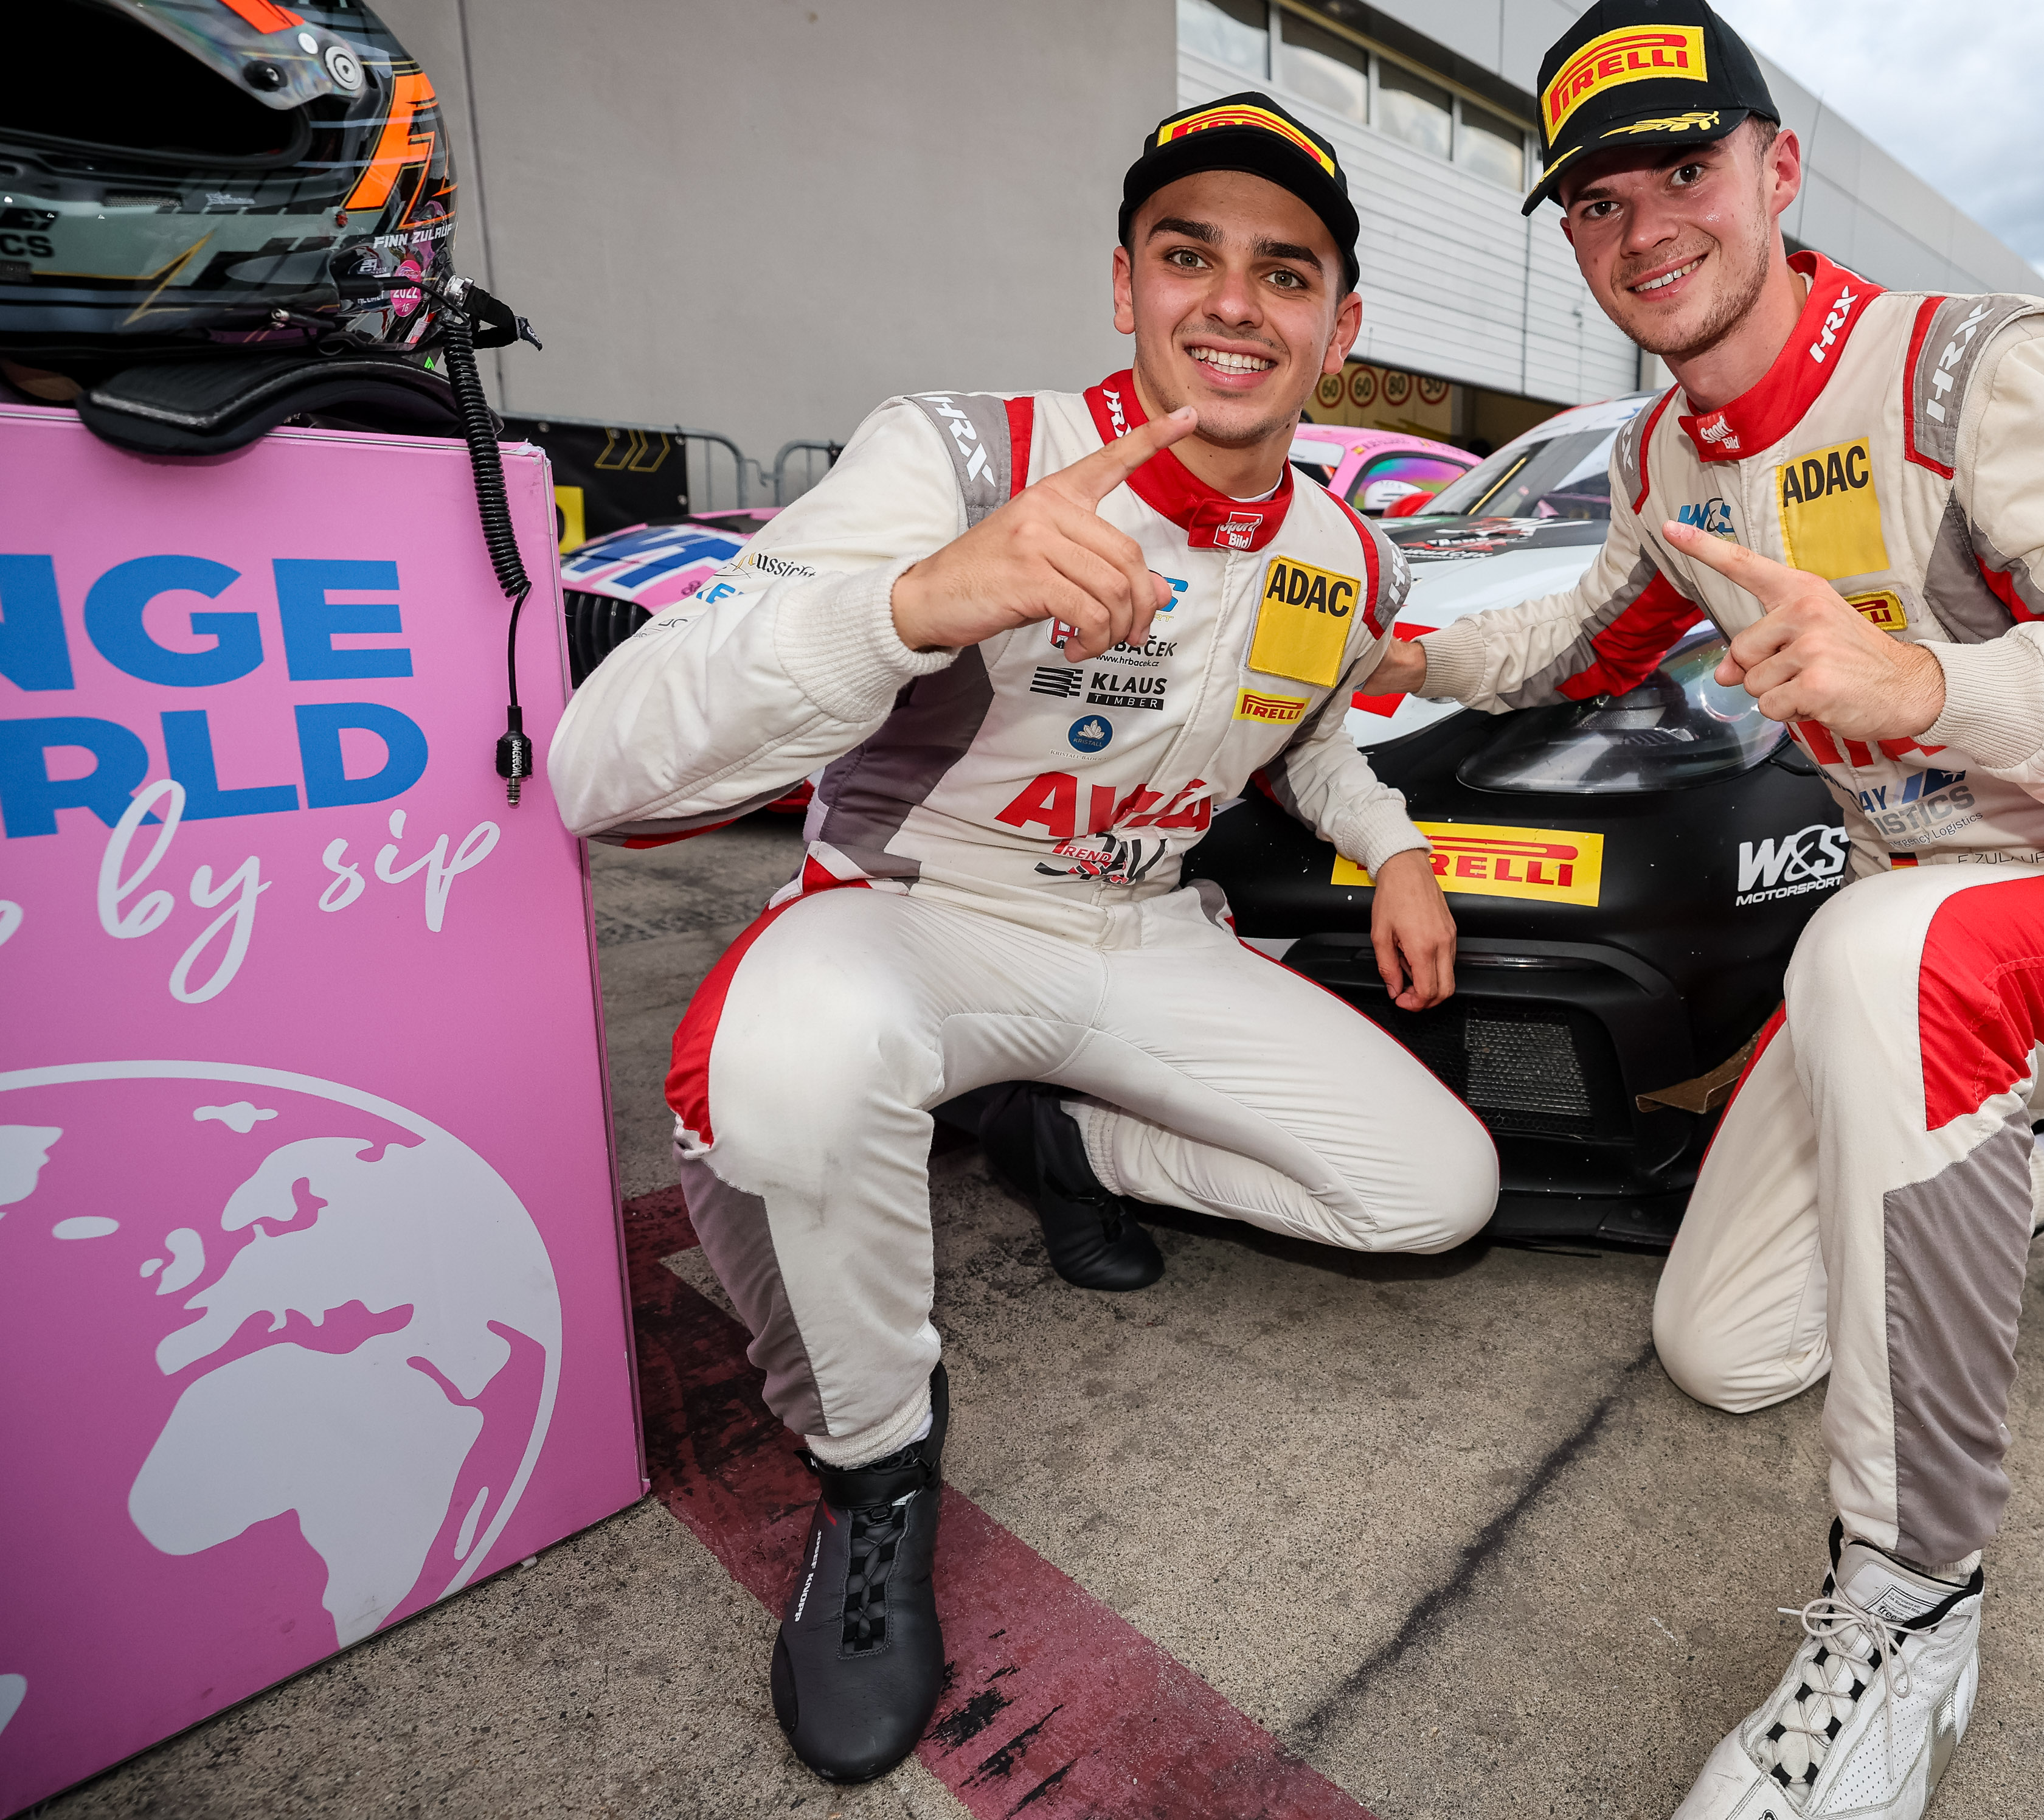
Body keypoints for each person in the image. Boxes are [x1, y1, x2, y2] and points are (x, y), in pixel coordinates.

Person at [1361, 4, 2044, 1813]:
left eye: (1683, 170)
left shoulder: (1972, 373)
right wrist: (1378, 641)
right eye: (1595, 201)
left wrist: (1936, 687)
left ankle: (1912, 1609)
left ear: (1778, 171)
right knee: (1722, 1352)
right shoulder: (1670, 457)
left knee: (1869, 949)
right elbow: (1565, 646)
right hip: (1909, 941)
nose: (1643, 227)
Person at [550, 95, 1500, 1784]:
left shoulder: (1346, 551)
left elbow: (1307, 741)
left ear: (1340, 328)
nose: (1234, 302)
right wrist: (912, 602)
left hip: (1147, 937)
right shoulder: (968, 454)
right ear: (1123, 285)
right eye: (1189, 255)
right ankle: (875, 1469)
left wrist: (1400, 848)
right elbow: (602, 769)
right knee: (788, 1071)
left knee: (1435, 1197)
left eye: (1286, 273)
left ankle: (1061, 1140)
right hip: (920, 917)